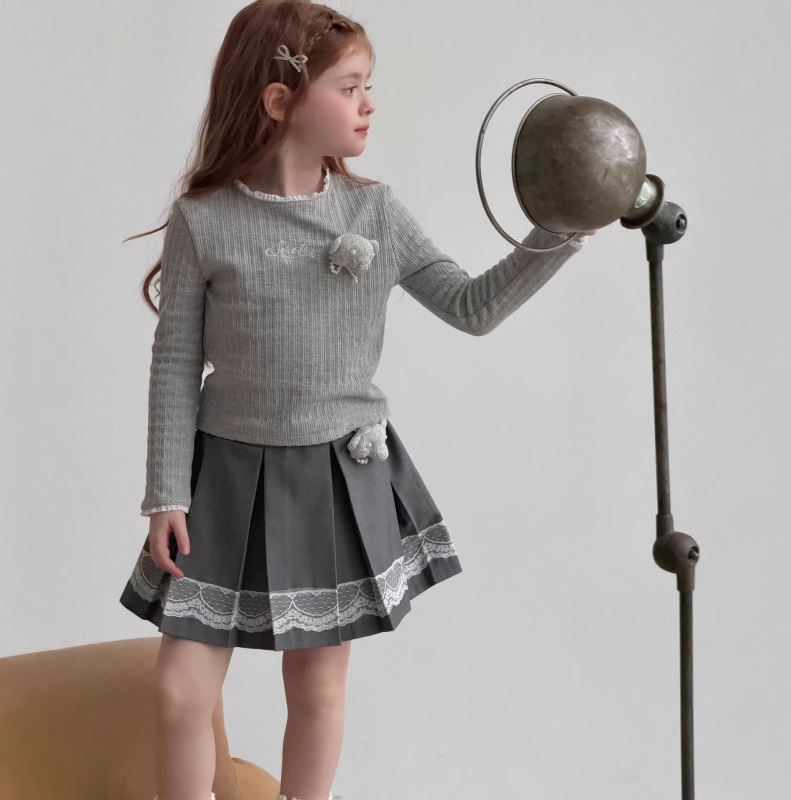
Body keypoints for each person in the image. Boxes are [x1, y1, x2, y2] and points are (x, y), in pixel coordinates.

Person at [117, 2, 596, 799]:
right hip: (224, 481)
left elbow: (472, 307)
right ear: (281, 101)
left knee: (316, 692)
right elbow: (174, 362)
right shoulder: (206, 220)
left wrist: (555, 232)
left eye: (368, 85)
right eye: (349, 87)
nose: (369, 103)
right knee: (179, 691)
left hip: (332, 479)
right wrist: (166, 492)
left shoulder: (376, 213)